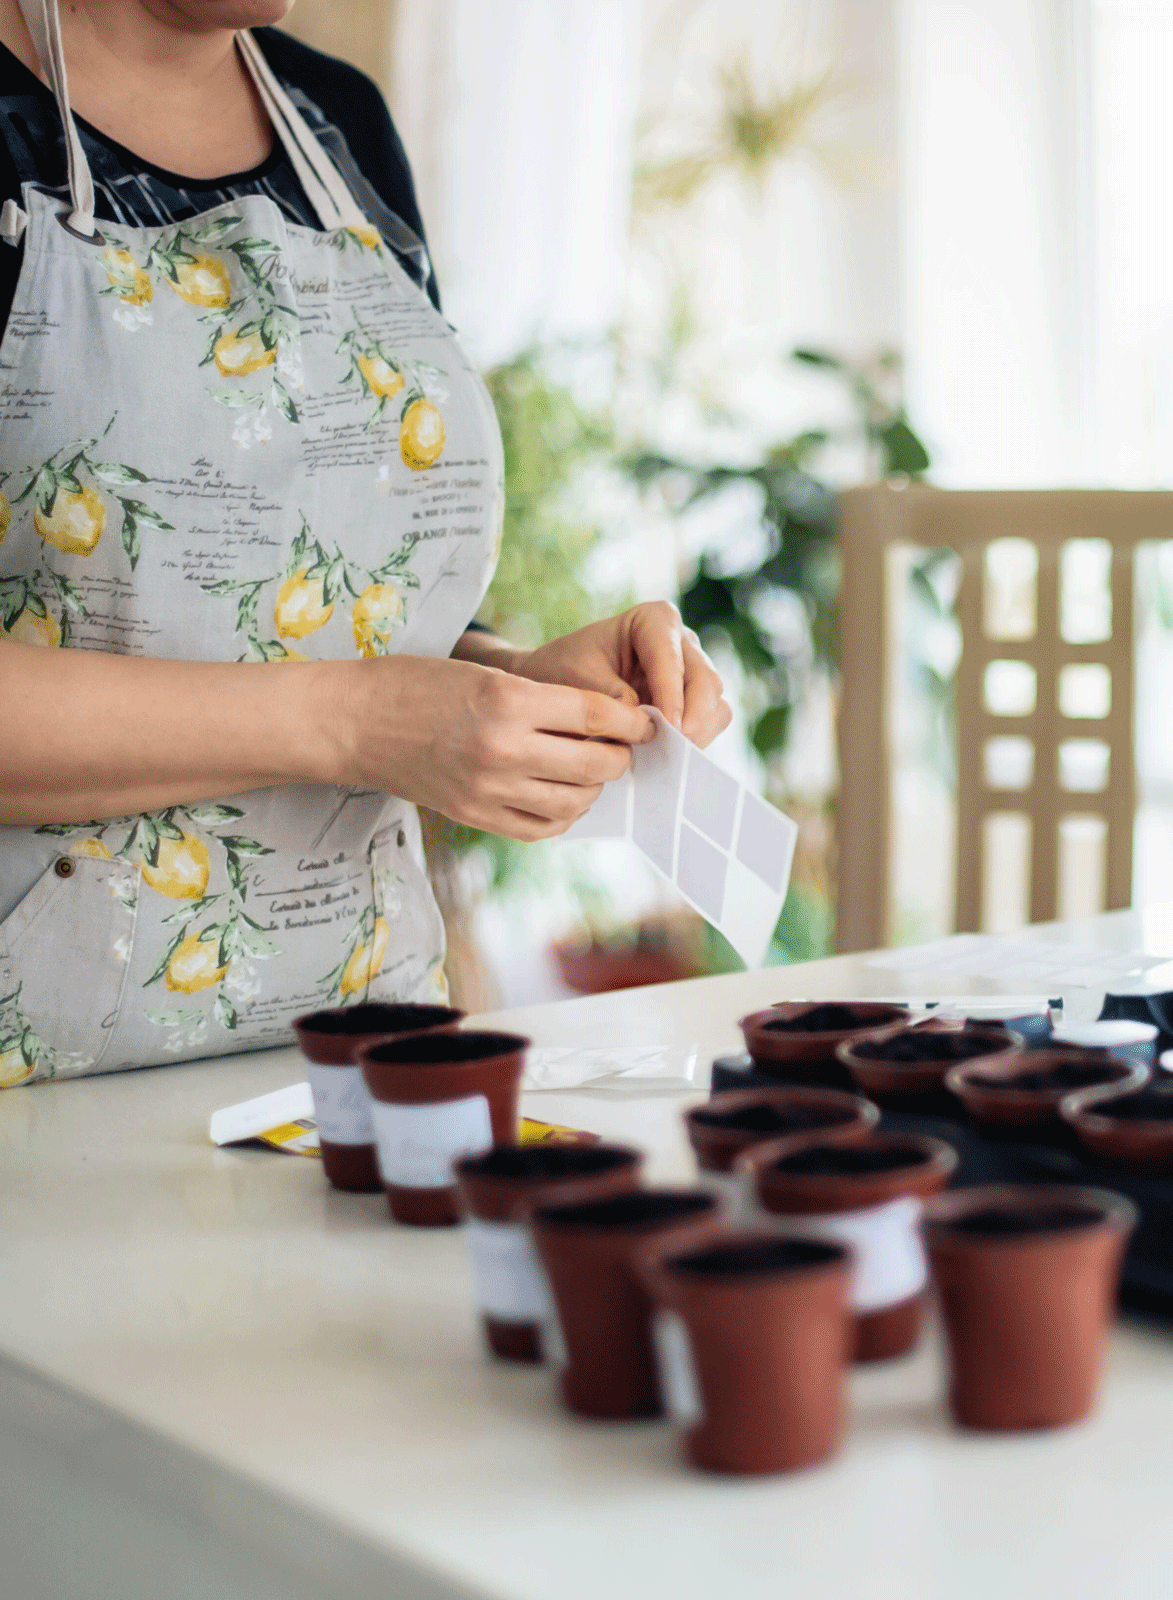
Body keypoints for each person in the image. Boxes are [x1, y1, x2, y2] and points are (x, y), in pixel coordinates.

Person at [0, 0, 730, 1086]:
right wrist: (357, 720)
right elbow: (348, 699)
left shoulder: (336, 120)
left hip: (361, 1063)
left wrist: (510, 682)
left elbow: (331, 593)